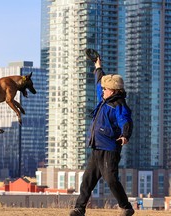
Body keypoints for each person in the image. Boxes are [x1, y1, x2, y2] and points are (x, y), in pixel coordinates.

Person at [69, 57, 134, 216]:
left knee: (111, 180)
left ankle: (126, 207)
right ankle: (79, 209)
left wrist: (125, 135)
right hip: (97, 148)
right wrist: (98, 66)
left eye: (106, 89)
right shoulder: (104, 100)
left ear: (114, 90)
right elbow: (99, 82)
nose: (103, 90)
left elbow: (126, 121)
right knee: (87, 181)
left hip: (110, 149)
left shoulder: (118, 106)